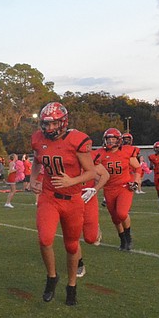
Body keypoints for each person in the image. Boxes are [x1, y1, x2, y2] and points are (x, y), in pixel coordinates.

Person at [29, 102, 96, 306]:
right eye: (45, 124)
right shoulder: (38, 139)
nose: (48, 129)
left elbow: (92, 172)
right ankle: (52, 277)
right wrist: (33, 178)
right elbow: (37, 161)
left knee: (71, 245)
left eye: (52, 124)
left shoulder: (76, 141)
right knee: (45, 238)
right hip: (49, 196)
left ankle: (72, 285)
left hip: (73, 199)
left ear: (63, 123)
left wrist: (72, 181)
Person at [98, 128, 141, 251]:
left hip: (124, 186)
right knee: (115, 218)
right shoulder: (100, 153)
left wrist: (136, 180)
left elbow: (138, 168)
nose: (110, 141)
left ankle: (128, 237)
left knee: (121, 213)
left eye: (113, 139)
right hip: (109, 188)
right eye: (108, 139)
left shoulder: (126, 151)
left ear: (119, 140)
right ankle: (122, 239)